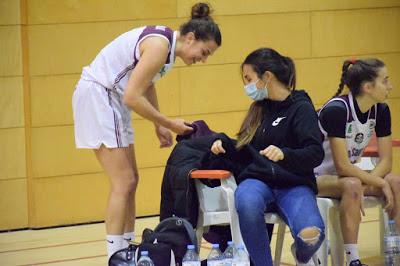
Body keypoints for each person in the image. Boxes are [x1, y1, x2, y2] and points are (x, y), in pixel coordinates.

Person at [72, 2, 221, 258]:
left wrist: (158, 125)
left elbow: (146, 85)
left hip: (111, 99)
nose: (204, 59)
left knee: (132, 180)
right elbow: (132, 96)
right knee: (124, 181)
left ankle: (126, 247)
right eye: (204, 52)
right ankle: (115, 254)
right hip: (101, 95)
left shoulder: (167, 48)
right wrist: (168, 122)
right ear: (190, 37)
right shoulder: (159, 45)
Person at [210, 48, 325, 266]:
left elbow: (315, 153)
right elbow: (247, 151)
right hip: (258, 180)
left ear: (267, 77)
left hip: (294, 183)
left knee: (312, 234)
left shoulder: (301, 108)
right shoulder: (258, 110)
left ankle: (301, 254)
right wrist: (223, 144)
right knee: (246, 200)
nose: (247, 86)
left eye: (249, 78)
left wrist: (285, 154)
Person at [315, 58, 400, 266]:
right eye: (385, 80)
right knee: (353, 185)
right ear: (368, 87)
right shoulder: (337, 110)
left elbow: (386, 161)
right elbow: (342, 165)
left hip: (351, 175)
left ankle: (396, 251)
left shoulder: (381, 110)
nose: (390, 86)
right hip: (317, 176)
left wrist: (380, 180)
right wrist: (378, 182)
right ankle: (354, 260)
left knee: (396, 181)